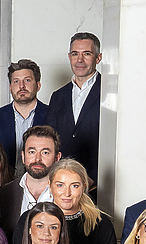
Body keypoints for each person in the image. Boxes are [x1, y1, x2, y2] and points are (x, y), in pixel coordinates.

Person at [0, 126, 61, 244]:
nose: (37, 159)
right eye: (31, 152)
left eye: (45, 152)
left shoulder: (66, 194)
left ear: (57, 157)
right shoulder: (5, 193)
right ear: (23, 156)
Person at [44, 33, 102, 181]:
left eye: (87, 54)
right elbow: (51, 141)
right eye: (75, 54)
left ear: (98, 58)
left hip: (100, 182)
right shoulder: (58, 96)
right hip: (63, 181)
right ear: (69, 57)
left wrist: (94, 178)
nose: (80, 60)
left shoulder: (110, 92)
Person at [0, 59, 48, 157]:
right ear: (10, 87)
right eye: (16, 81)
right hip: (6, 172)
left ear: (38, 85)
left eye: (27, 80)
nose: (21, 86)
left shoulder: (52, 114)